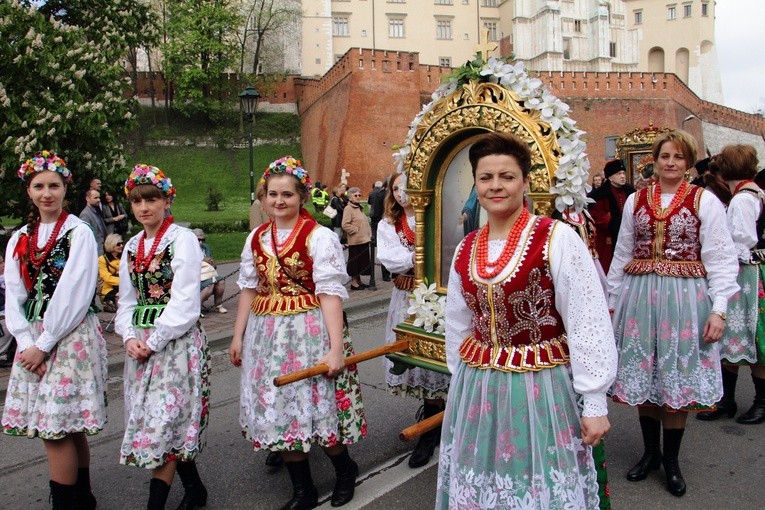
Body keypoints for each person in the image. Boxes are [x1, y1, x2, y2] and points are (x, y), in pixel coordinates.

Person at [437, 133, 617, 508]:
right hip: (480, 385)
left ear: (525, 182)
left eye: (507, 176)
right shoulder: (467, 247)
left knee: (537, 482)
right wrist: (461, 381)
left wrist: (595, 400)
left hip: (542, 387)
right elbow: (457, 319)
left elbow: (587, 318)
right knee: (485, 480)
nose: (496, 185)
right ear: (476, 184)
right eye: (486, 178)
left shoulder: (556, 238)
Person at [608, 130, 739, 497]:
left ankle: (672, 460)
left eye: (679, 157)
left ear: (688, 162)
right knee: (646, 374)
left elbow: (720, 258)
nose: (670, 162)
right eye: (665, 155)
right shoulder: (637, 200)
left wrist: (719, 310)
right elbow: (622, 253)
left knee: (675, 376)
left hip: (684, 302)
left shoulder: (704, 201)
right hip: (639, 298)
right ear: (655, 159)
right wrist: (611, 303)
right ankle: (650, 453)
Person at [230, 156, 366, 509]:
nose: (279, 201)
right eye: (272, 194)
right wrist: (237, 335)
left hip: (309, 330)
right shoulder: (256, 238)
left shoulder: (318, 237)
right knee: (280, 409)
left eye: (287, 194)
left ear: (302, 197)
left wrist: (336, 348)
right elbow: (248, 287)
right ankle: (303, 490)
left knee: (317, 402)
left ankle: (344, 469)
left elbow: (330, 293)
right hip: (266, 335)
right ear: (263, 198)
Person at [2, 150, 107, 509]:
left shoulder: (78, 232)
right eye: (39, 186)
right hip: (34, 337)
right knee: (65, 422)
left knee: (57, 426)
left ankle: (68, 502)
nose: (46, 193)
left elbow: (74, 294)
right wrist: (26, 340)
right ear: (29, 191)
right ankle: (82, 497)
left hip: (68, 334)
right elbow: (14, 292)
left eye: (54, 186)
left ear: (65, 189)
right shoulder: (20, 236)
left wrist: (43, 343)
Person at [115, 164, 210, 510]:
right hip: (140, 343)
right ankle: (196, 491)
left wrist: (154, 340)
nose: (144, 208)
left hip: (175, 343)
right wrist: (128, 337)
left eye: (152, 198)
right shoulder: (132, 246)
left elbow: (185, 301)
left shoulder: (181, 239)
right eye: (137, 201)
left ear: (167, 199)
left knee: (164, 422)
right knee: (160, 421)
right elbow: (125, 301)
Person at [377, 171, 450, 468]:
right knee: (419, 355)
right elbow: (390, 258)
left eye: (406, 188)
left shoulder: (435, 215)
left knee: (444, 356)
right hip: (408, 297)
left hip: (440, 294)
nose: (401, 193)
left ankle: (451, 419)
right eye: (395, 189)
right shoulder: (389, 225)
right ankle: (431, 426)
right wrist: (420, 255)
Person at [697, 145, 765, 425]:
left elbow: (741, 241)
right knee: (735, 339)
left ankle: (757, 402)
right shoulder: (755, 192)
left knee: (749, 336)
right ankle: (727, 400)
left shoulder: (741, 200)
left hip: (745, 274)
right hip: (751, 271)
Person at [589, 159, 636, 273]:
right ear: (610, 177)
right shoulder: (599, 194)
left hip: (630, 235)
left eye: (623, 173)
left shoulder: (631, 192)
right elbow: (598, 215)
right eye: (618, 174)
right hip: (608, 237)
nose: (622, 176)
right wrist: (617, 223)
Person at [342, 187, 372, 290]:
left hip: (363, 239)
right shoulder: (348, 208)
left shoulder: (359, 207)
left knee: (361, 262)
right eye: (356, 195)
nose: (358, 197)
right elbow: (345, 224)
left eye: (359, 195)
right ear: (350, 198)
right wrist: (355, 230)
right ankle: (354, 283)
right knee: (355, 263)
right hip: (355, 241)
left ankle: (359, 281)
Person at [193, 228, 227, 315]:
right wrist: (202, 260)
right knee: (210, 284)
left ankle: (218, 305)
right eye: (198, 240)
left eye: (202, 240)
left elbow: (214, 265)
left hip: (209, 273)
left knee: (221, 281)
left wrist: (212, 263)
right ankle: (196, 308)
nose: (201, 242)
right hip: (197, 276)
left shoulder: (205, 247)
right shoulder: (188, 249)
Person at [368, 180, 391, 281]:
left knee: (378, 243)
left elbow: (369, 203)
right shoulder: (386, 194)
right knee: (387, 245)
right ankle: (389, 274)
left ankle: (374, 242)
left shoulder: (371, 193)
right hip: (384, 218)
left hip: (374, 218)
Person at [98, 233, 123, 313]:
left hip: (123, 287)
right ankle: (108, 303)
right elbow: (106, 278)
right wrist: (124, 281)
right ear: (111, 245)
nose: (121, 246)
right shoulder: (102, 259)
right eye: (118, 244)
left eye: (122, 243)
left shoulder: (124, 257)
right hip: (108, 289)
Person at [79, 188, 107, 255]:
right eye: (95, 198)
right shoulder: (85, 214)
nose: (98, 200)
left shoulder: (95, 211)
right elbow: (85, 237)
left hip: (102, 250)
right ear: (87, 199)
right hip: (94, 252)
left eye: (99, 197)